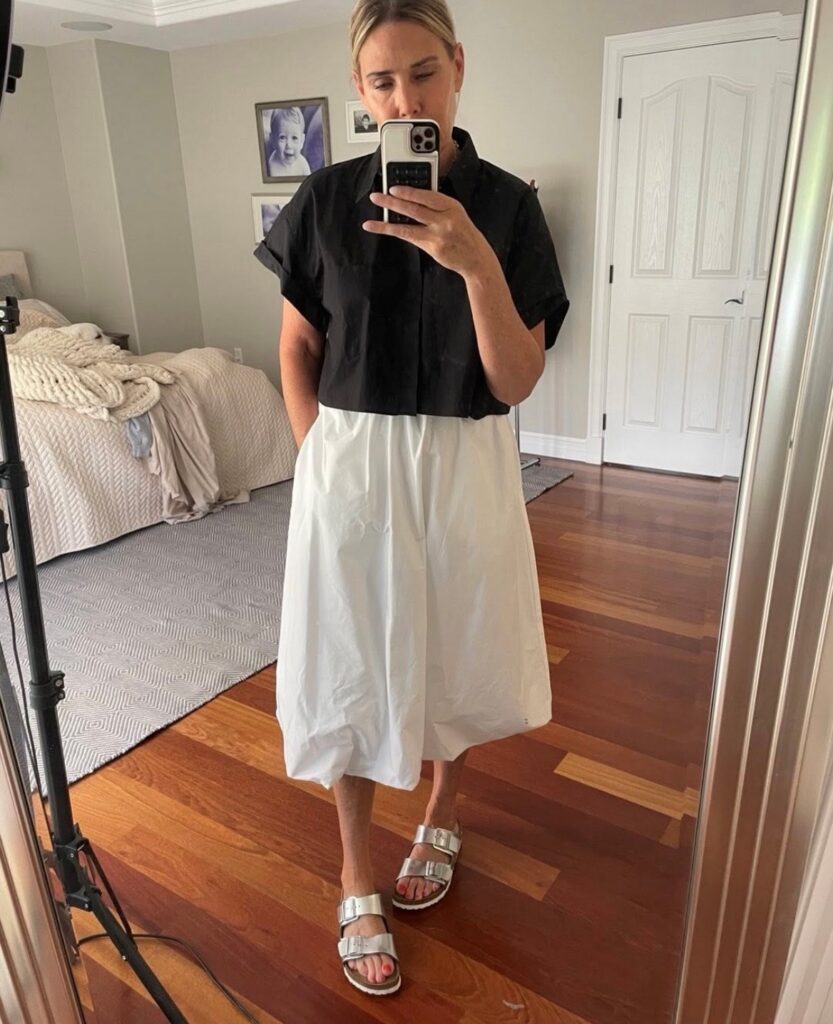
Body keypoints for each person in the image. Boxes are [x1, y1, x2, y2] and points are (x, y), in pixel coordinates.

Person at [254, 0, 568, 999]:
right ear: (359, 90)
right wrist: (318, 457)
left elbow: (515, 379)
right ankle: (354, 871)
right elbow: (296, 345)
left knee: (455, 647)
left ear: (458, 68)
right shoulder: (323, 200)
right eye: (383, 81)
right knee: (346, 661)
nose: (405, 98)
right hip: (348, 465)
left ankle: (440, 812)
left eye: (422, 75)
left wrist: (473, 259)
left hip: (463, 464)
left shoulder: (509, 210)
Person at [266, 106, 311, 177]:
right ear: (273, 140)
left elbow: (309, 184)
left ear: (302, 141)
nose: (289, 145)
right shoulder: (271, 165)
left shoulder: (303, 164)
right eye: (282, 137)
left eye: (294, 138)